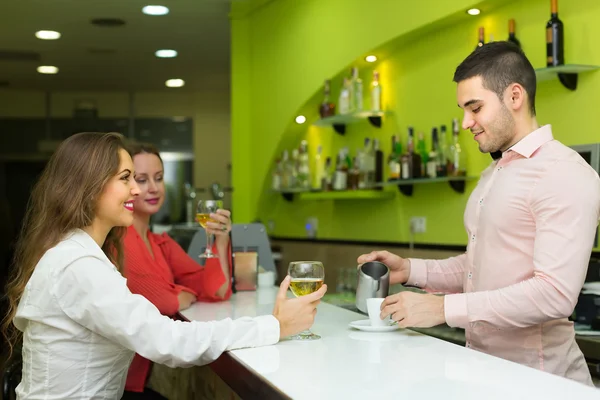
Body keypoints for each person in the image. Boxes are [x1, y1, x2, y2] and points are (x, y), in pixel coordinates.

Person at [1, 132, 327, 399]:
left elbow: (201, 291)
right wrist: (274, 325)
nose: (137, 189)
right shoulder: (79, 265)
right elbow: (169, 341)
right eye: (127, 178)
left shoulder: (75, 253)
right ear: (90, 187)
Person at [358, 41, 600, 386]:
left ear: (514, 97)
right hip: (483, 373)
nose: (465, 123)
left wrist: (442, 309)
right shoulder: (494, 173)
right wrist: (411, 270)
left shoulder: (563, 172)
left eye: (475, 108)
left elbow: (553, 295)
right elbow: (480, 265)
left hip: (542, 382)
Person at [121, 142, 234, 398]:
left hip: (149, 378)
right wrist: (178, 292)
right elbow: (163, 301)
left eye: (158, 178)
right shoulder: (121, 238)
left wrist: (221, 239)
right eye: (141, 179)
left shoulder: (161, 243)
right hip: (123, 383)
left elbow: (216, 290)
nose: (153, 188)